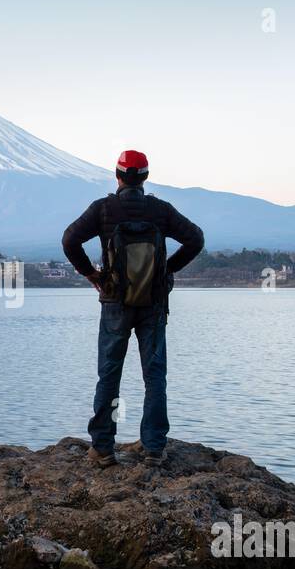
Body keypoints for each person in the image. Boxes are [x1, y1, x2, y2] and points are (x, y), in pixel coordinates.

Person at [61, 150, 204, 468]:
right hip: (152, 302)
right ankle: (154, 448)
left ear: (117, 176)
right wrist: (166, 269)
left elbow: (69, 240)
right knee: (154, 376)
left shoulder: (102, 209)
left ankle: (103, 448)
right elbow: (195, 239)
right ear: (145, 178)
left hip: (114, 302)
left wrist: (92, 275)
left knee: (109, 375)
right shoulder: (161, 210)